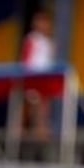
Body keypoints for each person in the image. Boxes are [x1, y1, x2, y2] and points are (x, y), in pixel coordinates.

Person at [20, 9, 56, 142]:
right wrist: (24, 75)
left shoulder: (50, 42)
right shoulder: (31, 39)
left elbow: (50, 60)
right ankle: (20, 129)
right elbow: (25, 57)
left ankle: (41, 129)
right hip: (32, 76)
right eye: (39, 21)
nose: (42, 25)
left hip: (45, 77)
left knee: (44, 104)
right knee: (28, 103)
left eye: (45, 22)